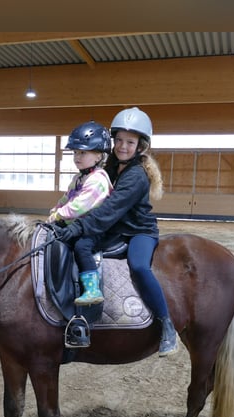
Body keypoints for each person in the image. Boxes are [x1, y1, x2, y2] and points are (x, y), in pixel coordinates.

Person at [54, 107, 179, 356]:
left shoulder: (137, 176)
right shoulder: (110, 165)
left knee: (140, 266)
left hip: (138, 231)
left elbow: (110, 209)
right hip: (114, 227)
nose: (122, 146)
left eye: (129, 142)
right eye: (119, 140)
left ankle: (167, 326)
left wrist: (79, 226)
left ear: (140, 145)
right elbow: (92, 198)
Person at [48, 120, 113, 305]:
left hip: (95, 228)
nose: (77, 156)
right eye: (75, 152)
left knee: (81, 247)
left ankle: (92, 289)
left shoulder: (98, 179)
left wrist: (60, 215)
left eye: (83, 152)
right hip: (79, 225)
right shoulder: (79, 177)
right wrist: (55, 209)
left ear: (99, 156)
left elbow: (79, 205)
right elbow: (67, 198)